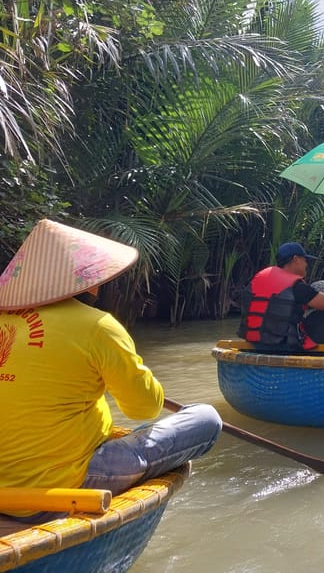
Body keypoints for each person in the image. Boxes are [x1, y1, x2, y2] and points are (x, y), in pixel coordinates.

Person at [0, 219, 222, 524]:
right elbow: (144, 408)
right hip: (64, 488)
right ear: (87, 282)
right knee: (206, 417)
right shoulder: (97, 326)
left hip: (5, 491)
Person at [237, 242, 324, 352]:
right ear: (296, 259)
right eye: (305, 260)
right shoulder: (297, 288)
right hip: (283, 347)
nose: (306, 264)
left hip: (255, 344)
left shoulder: (258, 280)